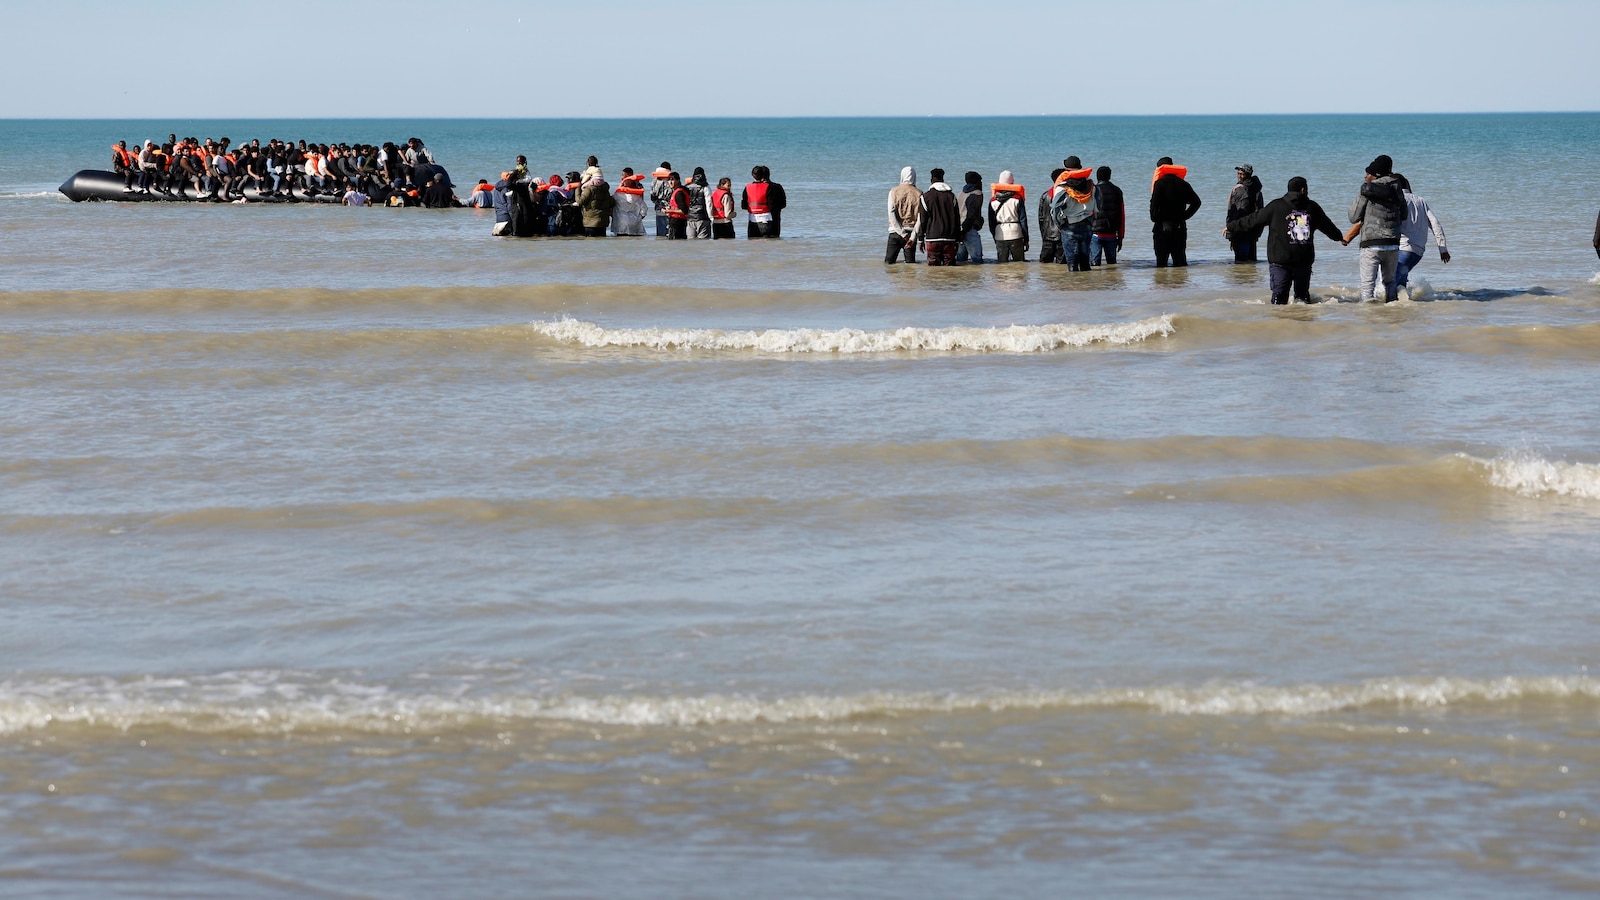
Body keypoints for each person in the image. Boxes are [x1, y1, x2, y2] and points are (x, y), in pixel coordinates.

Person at [1224, 176, 1347, 305]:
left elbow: (1253, 220)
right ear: (1303, 190)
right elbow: (1328, 227)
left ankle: (1279, 318)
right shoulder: (1312, 208)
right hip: (1303, 262)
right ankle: (1302, 317)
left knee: (1279, 300)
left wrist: (1231, 226)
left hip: (1280, 261)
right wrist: (1340, 237)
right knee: (1302, 300)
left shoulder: (1276, 206)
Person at [1343, 154, 1407, 302]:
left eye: (1368, 173)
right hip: (1392, 243)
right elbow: (1404, 215)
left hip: (1370, 243)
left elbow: (1353, 217)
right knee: (1390, 282)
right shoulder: (1397, 188)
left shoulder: (1367, 189)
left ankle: (1369, 315)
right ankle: (1392, 311)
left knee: (1367, 287)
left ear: (1376, 175)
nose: (1365, 176)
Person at [1393, 174, 1451, 290]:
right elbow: (1435, 223)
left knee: (1392, 282)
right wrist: (1442, 249)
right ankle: (1406, 300)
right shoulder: (1420, 200)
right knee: (1400, 281)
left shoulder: (1396, 200)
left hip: (1403, 248)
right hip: (1418, 252)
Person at [1150, 157, 1202, 266]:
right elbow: (1197, 202)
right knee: (1180, 262)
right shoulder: (1183, 184)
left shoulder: (1159, 184)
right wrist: (1185, 216)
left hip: (1162, 229)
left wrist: (1155, 218)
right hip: (1179, 228)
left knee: (1161, 264)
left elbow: (1154, 205)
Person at [912, 167, 963, 266]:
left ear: (931, 180)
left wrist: (920, 239)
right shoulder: (952, 196)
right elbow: (957, 219)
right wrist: (957, 238)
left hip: (932, 238)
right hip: (950, 238)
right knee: (950, 269)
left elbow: (923, 220)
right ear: (943, 179)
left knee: (933, 270)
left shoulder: (925, 197)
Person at [1051, 164, 1098, 270]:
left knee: (1072, 263)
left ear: (1067, 170)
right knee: (1085, 263)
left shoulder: (1062, 188)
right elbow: (1098, 207)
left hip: (1069, 226)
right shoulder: (1092, 186)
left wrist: (1059, 224)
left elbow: (1055, 209)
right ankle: (1087, 280)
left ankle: (1074, 280)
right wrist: (1092, 221)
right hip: (1087, 225)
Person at [1226, 164, 1265, 263]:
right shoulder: (1256, 189)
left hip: (1242, 231)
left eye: (1242, 174)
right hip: (1253, 230)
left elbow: (1240, 212)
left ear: (1248, 175)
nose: (1239, 176)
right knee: (1251, 262)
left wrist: (1232, 228)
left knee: (1241, 263)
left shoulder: (1241, 190)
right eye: (1238, 173)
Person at [988, 171, 1028, 262]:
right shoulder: (1017, 199)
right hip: (1016, 234)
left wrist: (995, 236)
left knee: (1002, 264)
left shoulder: (993, 201)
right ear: (1012, 183)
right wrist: (1026, 239)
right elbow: (1023, 220)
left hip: (1000, 234)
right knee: (1019, 263)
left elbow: (991, 222)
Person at [1091, 167, 1125, 266]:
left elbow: (1089, 213)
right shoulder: (1117, 191)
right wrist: (1121, 236)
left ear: (1097, 177)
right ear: (1109, 176)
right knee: (1112, 265)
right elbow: (1122, 215)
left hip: (1095, 234)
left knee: (1095, 266)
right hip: (1111, 234)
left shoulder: (1092, 191)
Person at [886, 167, 921, 263]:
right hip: (911, 233)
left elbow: (891, 214)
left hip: (895, 232)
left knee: (889, 264)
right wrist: (912, 237)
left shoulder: (893, 192)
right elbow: (920, 218)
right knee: (910, 265)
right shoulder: (919, 193)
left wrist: (902, 233)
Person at [742, 166, 785, 238]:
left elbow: (744, 205)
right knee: (772, 240)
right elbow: (783, 204)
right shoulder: (776, 187)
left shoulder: (748, 187)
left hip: (753, 218)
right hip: (769, 218)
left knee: (753, 241)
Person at [1037, 168, 1066, 265]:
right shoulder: (1067, 195)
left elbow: (1041, 218)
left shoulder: (1045, 195)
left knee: (1044, 264)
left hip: (1048, 235)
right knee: (1062, 265)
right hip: (1062, 235)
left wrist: (1043, 234)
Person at [955, 171, 985, 263]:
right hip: (969, 230)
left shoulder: (960, 194)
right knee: (977, 261)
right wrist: (964, 232)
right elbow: (971, 215)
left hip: (958, 229)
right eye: (980, 181)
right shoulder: (977, 194)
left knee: (961, 261)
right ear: (977, 182)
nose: (981, 184)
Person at [612, 169, 648, 236]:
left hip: (621, 223)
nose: (622, 178)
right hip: (635, 224)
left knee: (621, 241)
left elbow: (611, 204)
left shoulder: (617, 195)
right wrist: (640, 217)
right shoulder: (637, 196)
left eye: (623, 176)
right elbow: (644, 209)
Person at [577, 171, 614, 237]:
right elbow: (611, 203)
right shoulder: (605, 190)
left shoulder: (589, 189)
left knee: (591, 241)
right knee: (601, 240)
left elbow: (580, 202)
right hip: (603, 222)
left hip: (591, 222)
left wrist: (577, 190)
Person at [685, 168, 713, 239]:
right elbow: (709, 203)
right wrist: (711, 217)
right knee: (703, 241)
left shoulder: (687, 187)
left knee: (691, 241)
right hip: (702, 218)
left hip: (690, 218)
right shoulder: (705, 187)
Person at [664, 172, 691, 240]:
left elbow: (684, 211)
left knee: (674, 242)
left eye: (672, 180)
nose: (670, 182)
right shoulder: (678, 191)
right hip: (679, 222)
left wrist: (669, 211)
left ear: (678, 180)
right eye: (669, 180)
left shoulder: (679, 193)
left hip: (677, 223)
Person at [649, 162, 674, 236]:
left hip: (658, 210)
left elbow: (652, 197)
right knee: (669, 233)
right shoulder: (670, 181)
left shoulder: (654, 181)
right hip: (669, 210)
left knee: (660, 233)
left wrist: (658, 204)